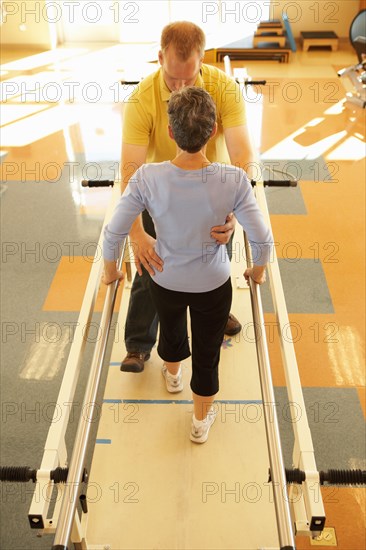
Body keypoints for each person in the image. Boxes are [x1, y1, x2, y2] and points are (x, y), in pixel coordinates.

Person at [103, 87, 272, 443]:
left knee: (172, 327)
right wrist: (257, 271)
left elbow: (114, 231)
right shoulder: (234, 180)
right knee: (208, 352)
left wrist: (110, 271)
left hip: (165, 280)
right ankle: (199, 423)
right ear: (213, 132)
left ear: (169, 132)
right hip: (212, 285)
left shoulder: (148, 177)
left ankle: (174, 375)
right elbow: (262, 238)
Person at [120, 20, 260, 373]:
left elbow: (243, 153)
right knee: (150, 266)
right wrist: (136, 234)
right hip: (162, 191)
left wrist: (233, 213)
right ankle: (138, 343)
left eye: (189, 77)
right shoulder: (141, 99)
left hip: (212, 189)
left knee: (213, 256)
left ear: (202, 60)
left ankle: (213, 307)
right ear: (159, 59)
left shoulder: (224, 88)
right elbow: (130, 168)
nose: (181, 87)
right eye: (173, 78)